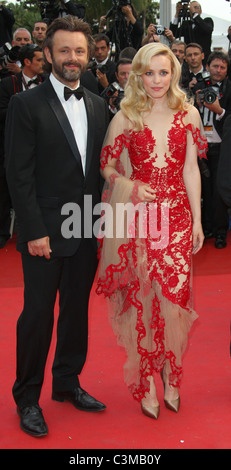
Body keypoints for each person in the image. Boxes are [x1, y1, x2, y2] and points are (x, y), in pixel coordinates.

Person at [5, 15, 109, 438]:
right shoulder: (25, 105)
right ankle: (27, 396)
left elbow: (100, 172)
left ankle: (67, 383)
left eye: (79, 51)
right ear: (47, 54)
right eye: (64, 50)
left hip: (84, 228)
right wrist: (33, 231)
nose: (72, 58)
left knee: (75, 313)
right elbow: (18, 173)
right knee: (37, 316)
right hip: (45, 231)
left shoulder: (100, 105)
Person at [96, 42, 207, 419]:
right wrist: (131, 186)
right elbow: (107, 168)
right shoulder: (125, 116)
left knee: (176, 302)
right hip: (142, 221)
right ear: (138, 75)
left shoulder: (189, 114)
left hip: (177, 219)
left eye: (164, 72)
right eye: (149, 72)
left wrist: (198, 219)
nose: (157, 80)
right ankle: (146, 379)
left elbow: (191, 169)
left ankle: (172, 376)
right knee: (146, 299)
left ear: (173, 73)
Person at [0, 44, 46, 249]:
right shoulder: (7, 84)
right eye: (39, 60)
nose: (43, 64)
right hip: (13, 146)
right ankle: (3, 233)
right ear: (27, 62)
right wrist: (24, 110)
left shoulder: (47, 84)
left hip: (44, 149)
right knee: (6, 189)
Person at [194, 51, 231, 247]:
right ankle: (205, 227)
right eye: (215, 66)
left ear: (226, 71)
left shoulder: (230, 90)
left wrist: (220, 111)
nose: (218, 70)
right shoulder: (199, 87)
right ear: (207, 67)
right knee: (202, 190)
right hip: (199, 147)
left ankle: (219, 231)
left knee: (218, 192)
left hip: (221, 147)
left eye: (222, 67)